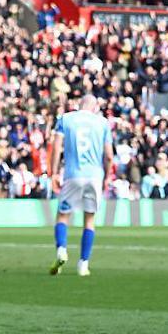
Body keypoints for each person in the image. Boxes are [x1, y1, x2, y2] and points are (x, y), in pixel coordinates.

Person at [49, 95, 114, 277]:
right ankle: (83, 264)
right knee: (89, 220)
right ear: (95, 107)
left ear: (80, 105)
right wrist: (107, 177)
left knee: (63, 216)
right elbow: (109, 156)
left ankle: (61, 250)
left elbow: (56, 147)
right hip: (94, 177)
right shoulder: (103, 123)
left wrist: (54, 173)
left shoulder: (66, 119)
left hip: (72, 175)